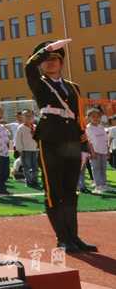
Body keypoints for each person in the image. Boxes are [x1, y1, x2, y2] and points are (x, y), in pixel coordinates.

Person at [26, 39, 97, 252]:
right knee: (53, 191)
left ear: (61, 62)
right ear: (40, 63)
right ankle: (62, 237)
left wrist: (83, 147)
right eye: (46, 59)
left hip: (72, 142)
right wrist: (47, 49)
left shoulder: (73, 88)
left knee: (70, 191)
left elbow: (79, 119)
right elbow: (28, 67)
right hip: (50, 141)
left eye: (54, 58)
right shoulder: (38, 83)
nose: (50, 61)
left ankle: (74, 237)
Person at [85, 108, 111, 193]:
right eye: (93, 116)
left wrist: (107, 151)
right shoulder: (88, 128)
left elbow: (105, 140)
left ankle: (104, 185)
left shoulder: (101, 128)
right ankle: (98, 185)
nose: (96, 118)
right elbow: (89, 142)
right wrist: (92, 153)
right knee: (96, 168)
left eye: (97, 116)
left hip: (103, 151)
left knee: (103, 169)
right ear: (89, 117)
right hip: (95, 151)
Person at [15, 110, 39, 188]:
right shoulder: (21, 128)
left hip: (35, 150)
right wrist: (20, 149)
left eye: (30, 116)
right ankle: (28, 180)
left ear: (33, 117)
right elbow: (18, 139)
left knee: (36, 167)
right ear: (22, 117)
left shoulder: (35, 127)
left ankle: (35, 180)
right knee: (26, 167)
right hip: (25, 150)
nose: (28, 117)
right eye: (26, 116)